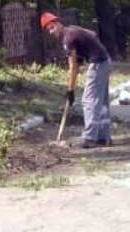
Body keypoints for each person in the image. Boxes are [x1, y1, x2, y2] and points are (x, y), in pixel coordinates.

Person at [40, 12, 113, 148]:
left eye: (52, 28)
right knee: (101, 101)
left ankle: (90, 138)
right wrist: (84, 52)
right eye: (48, 30)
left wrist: (70, 91)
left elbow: (72, 68)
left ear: (58, 23)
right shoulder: (72, 30)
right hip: (105, 61)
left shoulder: (67, 39)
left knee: (89, 100)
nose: (51, 32)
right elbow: (92, 34)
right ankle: (104, 137)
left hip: (98, 64)